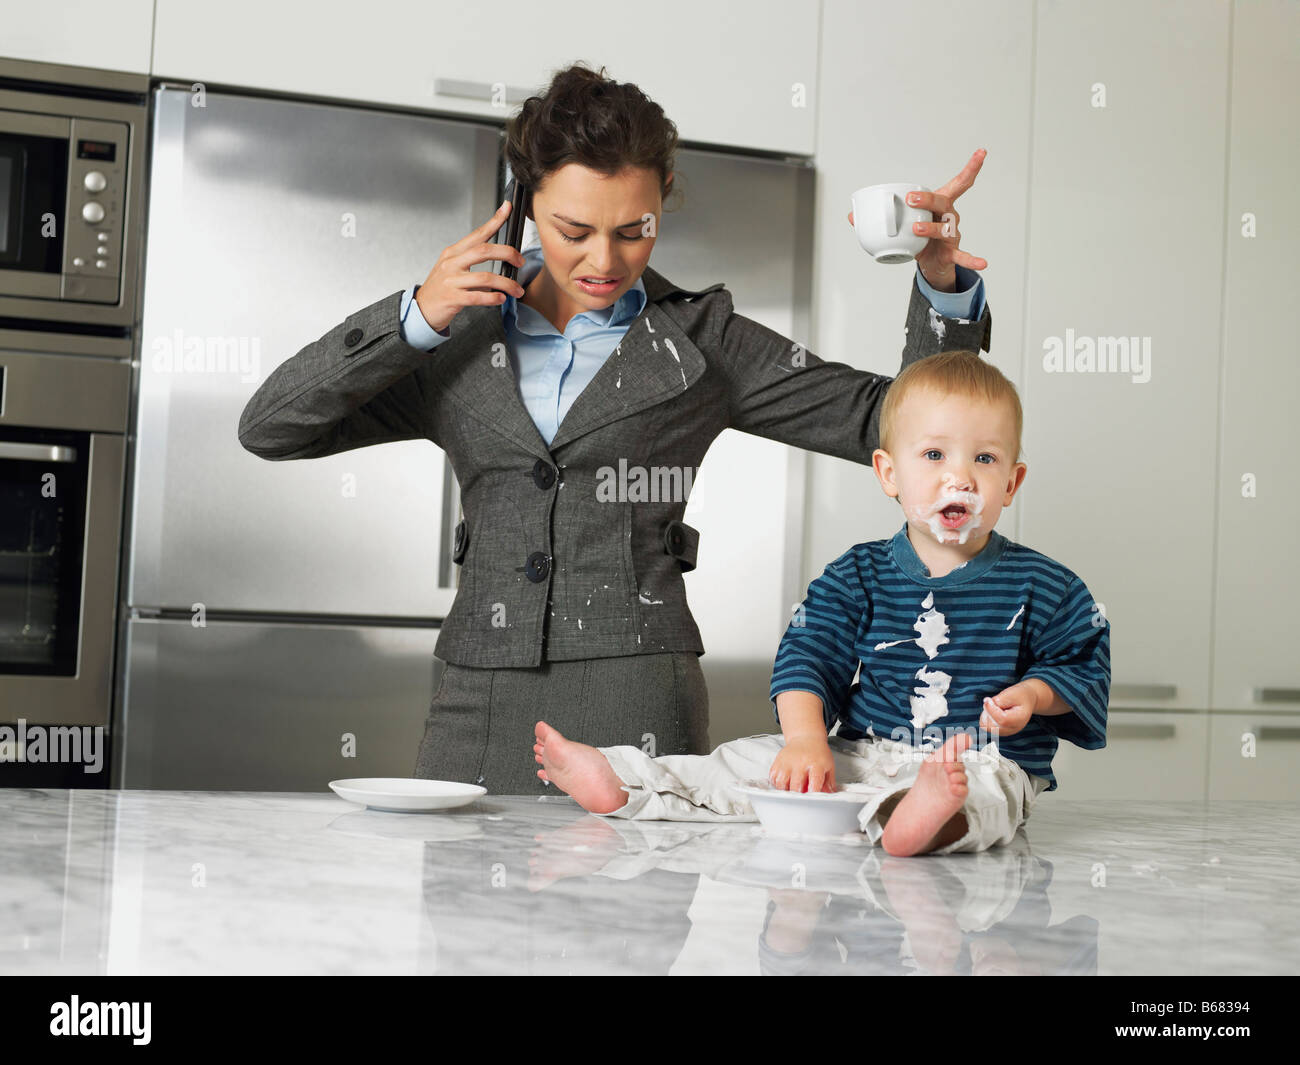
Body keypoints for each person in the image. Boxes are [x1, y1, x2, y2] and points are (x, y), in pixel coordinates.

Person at [238, 62, 994, 793]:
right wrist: (412, 318)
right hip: (476, 703)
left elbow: (898, 421)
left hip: (639, 702)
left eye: (636, 229)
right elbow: (272, 426)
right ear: (525, 200)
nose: (605, 260)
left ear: (663, 198)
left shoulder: (704, 340)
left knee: (632, 914)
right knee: (468, 920)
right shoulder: (454, 337)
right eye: (574, 230)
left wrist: (939, 284)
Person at [533, 351, 1111, 854]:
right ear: (889, 473)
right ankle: (624, 779)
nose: (958, 477)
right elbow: (809, 656)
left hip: (980, 757)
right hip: (861, 753)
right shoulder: (857, 574)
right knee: (744, 762)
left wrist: (1035, 695)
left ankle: (924, 817)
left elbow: (1081, 666)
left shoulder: (1046, 585)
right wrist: (808, 741)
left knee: (991, 798)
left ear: (1012, 481)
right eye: (934, 455)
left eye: (984, 460)